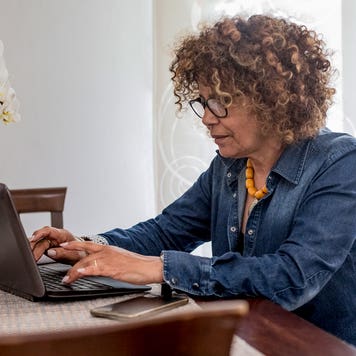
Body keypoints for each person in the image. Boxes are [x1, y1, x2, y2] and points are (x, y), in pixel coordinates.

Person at [30, 14, 356, 345]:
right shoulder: (230, 167)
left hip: (316, 347)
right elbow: (165, 231)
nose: (208, 119)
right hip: (245, 338)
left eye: (221, 102)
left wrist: (161, 268)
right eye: (204, 102)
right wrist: (87, 246)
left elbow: (293, 277)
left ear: (270, 99)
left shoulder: (340, 162)